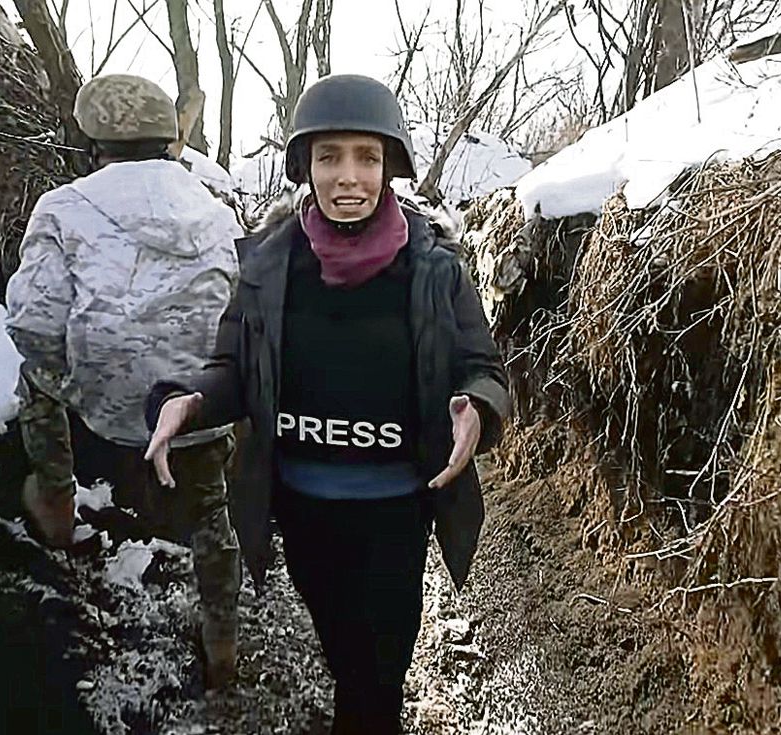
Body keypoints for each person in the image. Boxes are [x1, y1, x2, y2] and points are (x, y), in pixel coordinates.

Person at [144, 74, 510, 734]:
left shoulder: (434, 268)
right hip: (304, 507)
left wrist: (475, 409)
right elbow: (233, 366)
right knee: (346, 654)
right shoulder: (267, 265)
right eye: (329, 156)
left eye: (367, 157)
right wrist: (190, 401)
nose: (349, 176)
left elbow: (484, 369)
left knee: (383, 669)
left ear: (390, 167)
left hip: (397, 506)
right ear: (305, 168)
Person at [4, 73, 243, 688]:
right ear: (169, 139)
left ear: (91, 140)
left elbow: (33, 324)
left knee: (35, 378)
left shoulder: (62, 207)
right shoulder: (217, 211)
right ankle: (222, 636)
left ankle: (56, 501)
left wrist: (81, 365)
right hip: (199, 405)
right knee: (211, 505)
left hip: (105, 407)